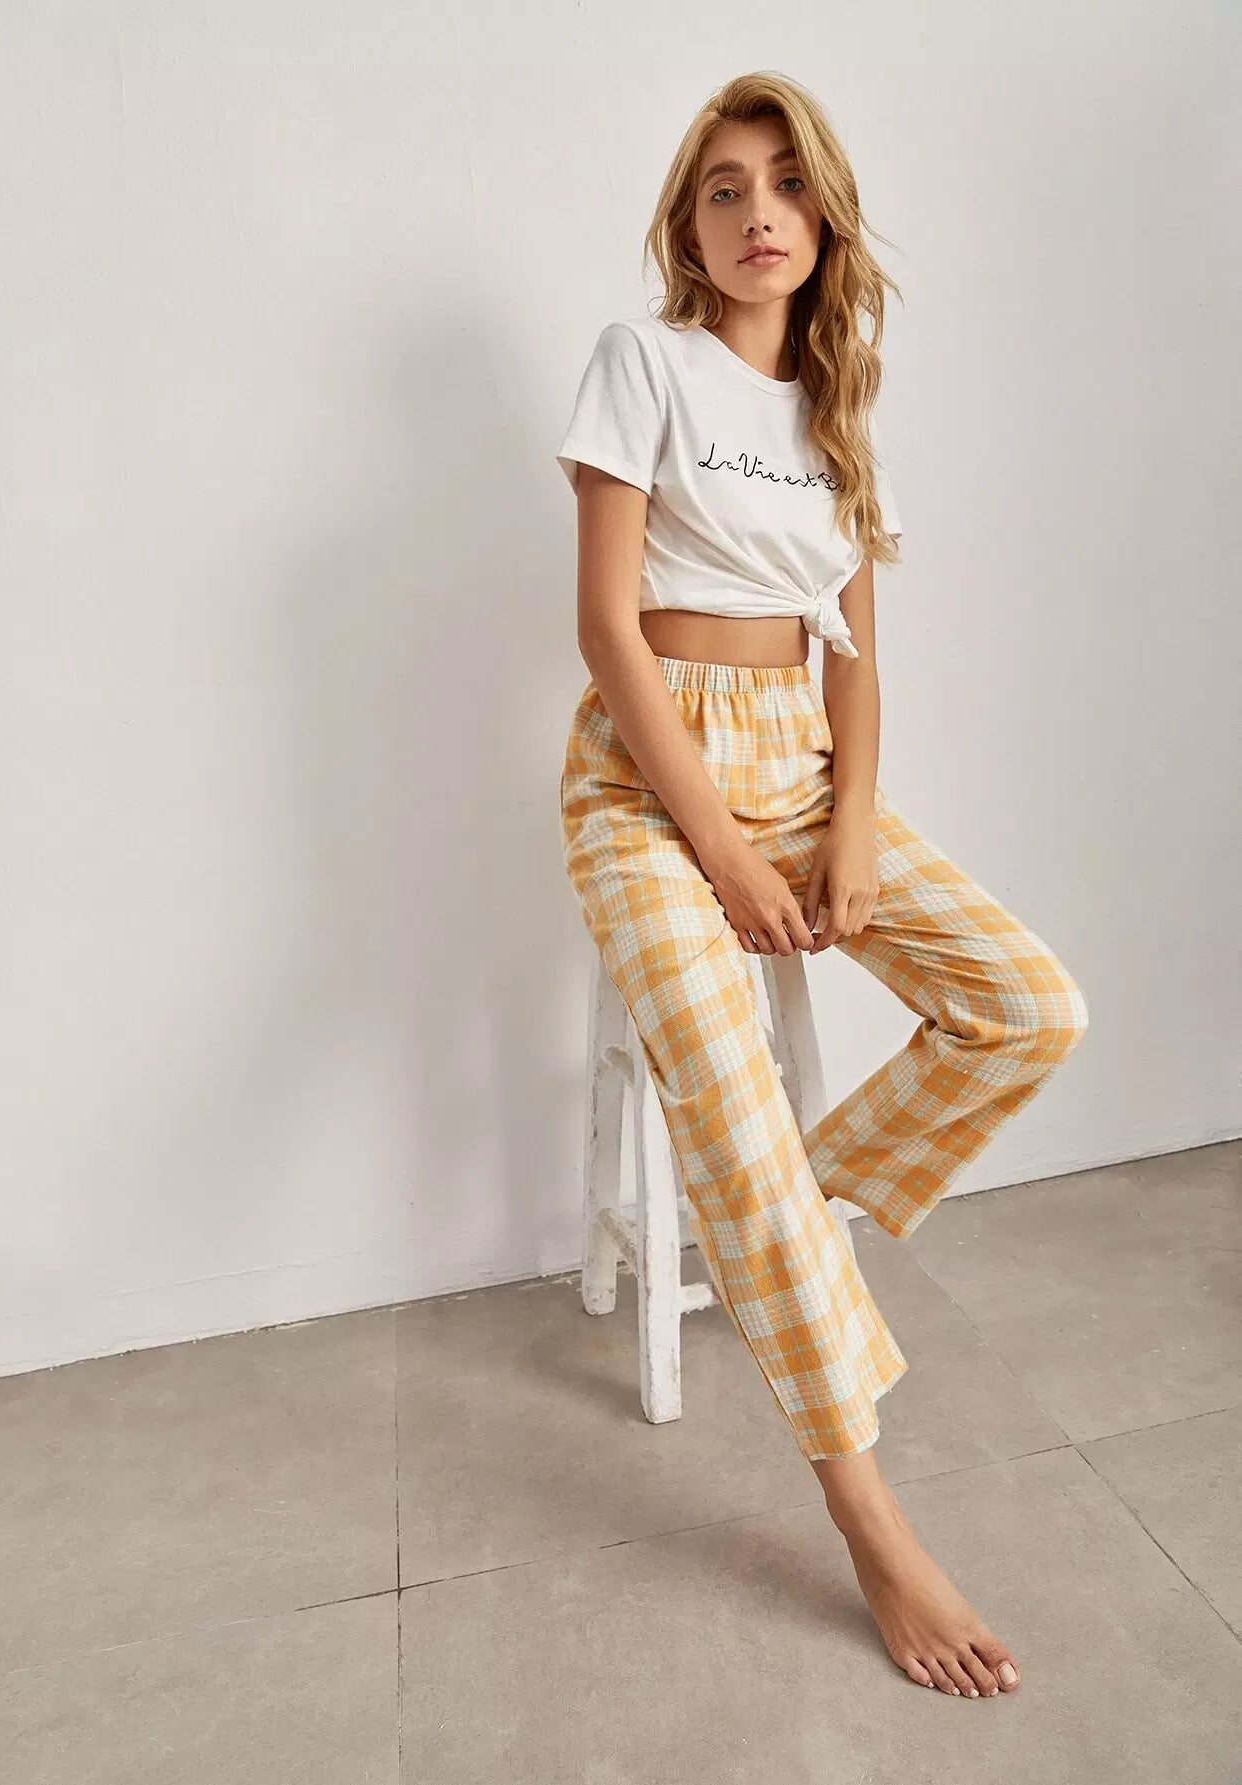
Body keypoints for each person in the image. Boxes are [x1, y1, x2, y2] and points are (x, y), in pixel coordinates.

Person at [555, 71, 1089, 1701]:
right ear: (688, 226)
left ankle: (783, 1212)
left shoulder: (840, 414)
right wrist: (722, 851)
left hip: (801, 759)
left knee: (1028, 1004)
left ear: (825, 220)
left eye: (786, 184)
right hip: (647, 778)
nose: (758, 212)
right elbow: (606, 629)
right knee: (727, 1094)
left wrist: (848, 832)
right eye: (724, 187)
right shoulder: (643, 362)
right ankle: (871, 1521)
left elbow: (854, 660)